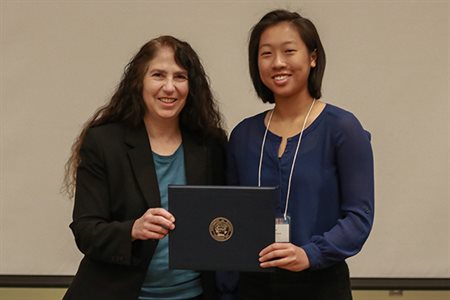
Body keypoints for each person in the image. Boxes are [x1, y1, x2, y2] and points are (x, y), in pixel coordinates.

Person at [222, 9, 374, 300]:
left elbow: (359, 217)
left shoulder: (342, 128)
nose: (278, 63)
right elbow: (230, 216)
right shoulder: (243, 135)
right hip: (253, 286)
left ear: (312, 57)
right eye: (266, 53)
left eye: (289, 51)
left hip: (319, 283)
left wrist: (310, 254)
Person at [62, 35, 226, 300]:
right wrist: (133, 229)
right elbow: (86, 230)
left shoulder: (212, 144)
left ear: (192, 86)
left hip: (195, 294)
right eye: (158, 75)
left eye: (180, 77)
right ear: (139, 81)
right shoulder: (104, 142)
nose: (170, 87)